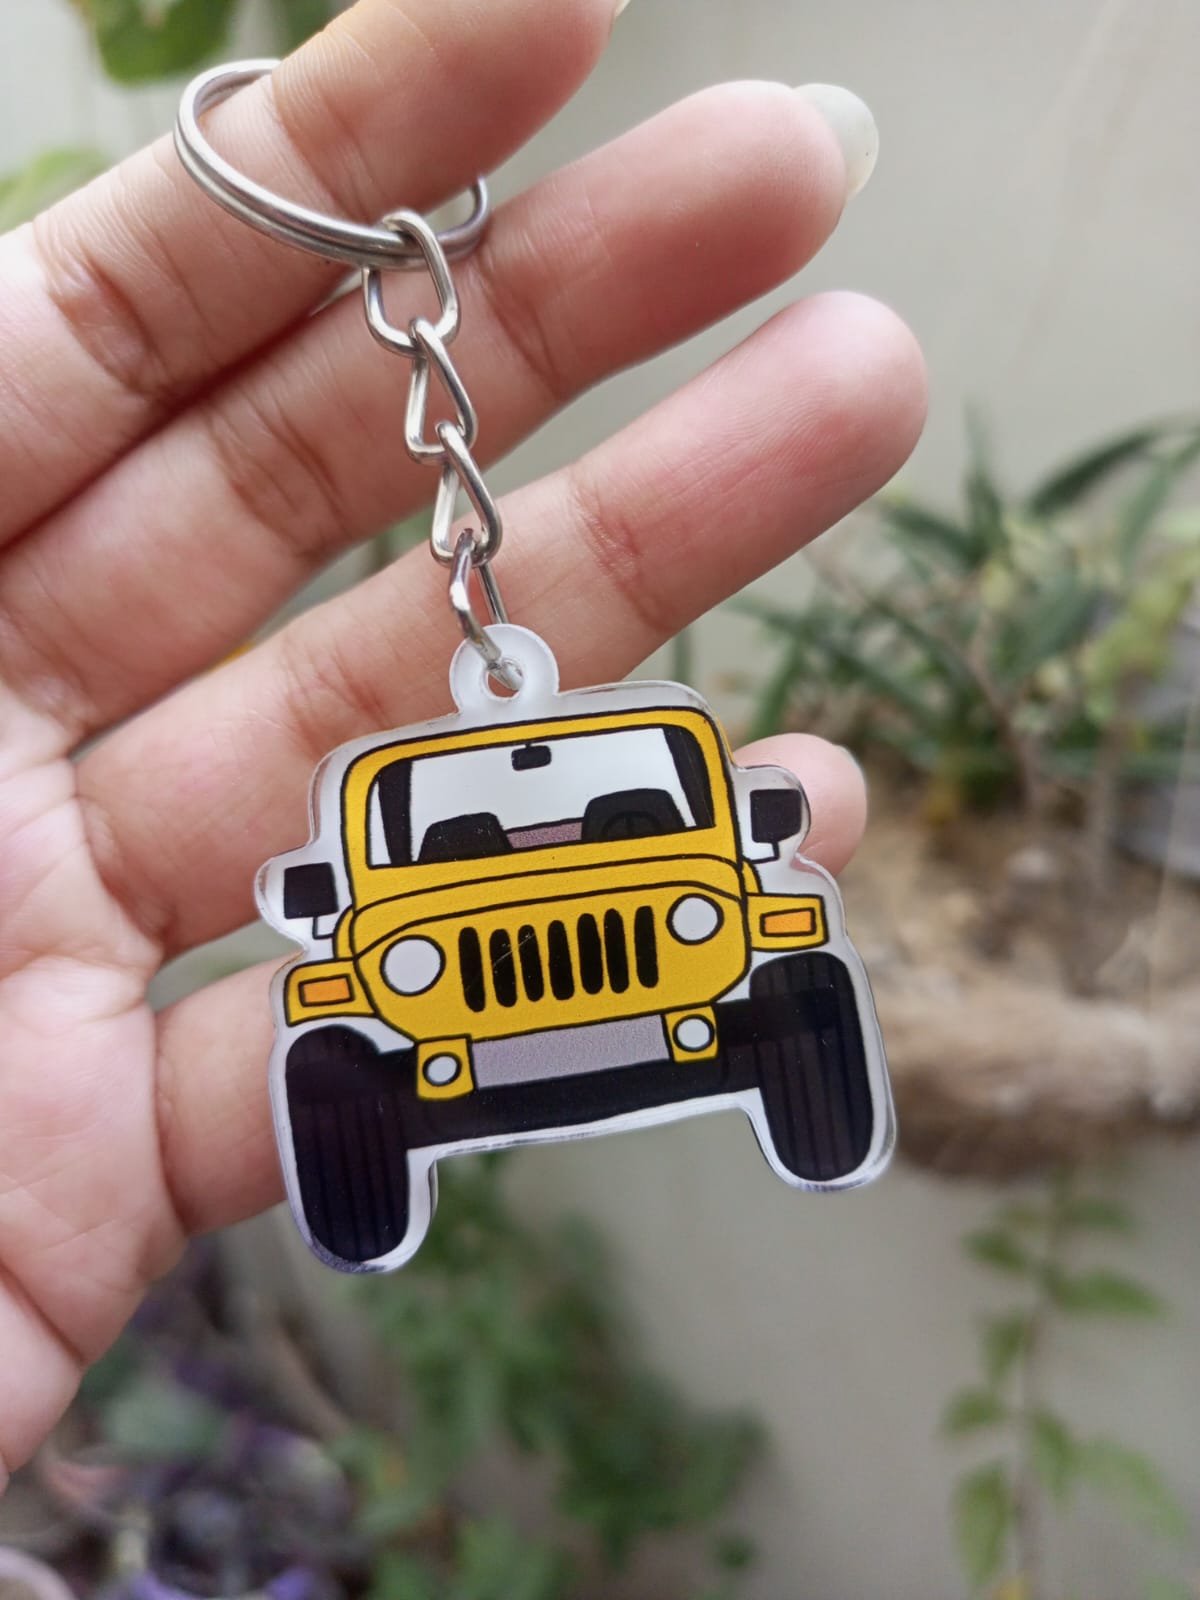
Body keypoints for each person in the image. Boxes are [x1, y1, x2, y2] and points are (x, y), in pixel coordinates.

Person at [0, 0, 925, 1487]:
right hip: (433, 1038)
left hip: (685, 990)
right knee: (333, 1050)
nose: (540, 845)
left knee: (793, 968)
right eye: (462, 840)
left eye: (632, 820)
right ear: (336, 889)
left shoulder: (727, 877)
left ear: (728, 823)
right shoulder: (364, 936)